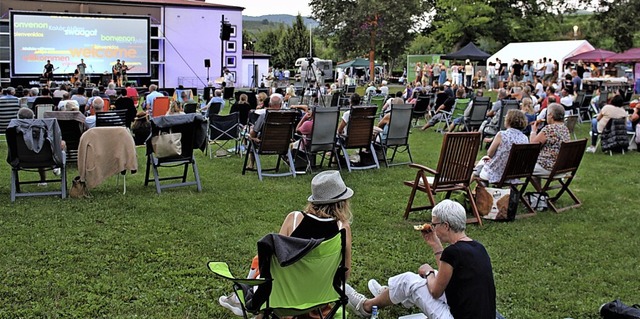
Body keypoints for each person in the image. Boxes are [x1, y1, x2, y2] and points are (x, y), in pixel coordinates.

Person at [218, 170, 354, 317]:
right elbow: (344, 275)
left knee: (260, 261)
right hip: (321, 297)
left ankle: (246, 296)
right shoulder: (342, 229)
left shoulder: (294, 219)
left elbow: (275, 262)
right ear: (343, 202)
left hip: (282, 298)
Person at [345, 199, 496, 319]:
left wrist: (429, 272)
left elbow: (436, 291)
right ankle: (391, 293)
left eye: (435, 224)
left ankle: (366, 306)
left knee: (409, 281)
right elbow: (447, 276)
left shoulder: (452, 252)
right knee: (427, 279)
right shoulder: (478, 248)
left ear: (446, 225)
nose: (433, 228)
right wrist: (436, 246)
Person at [474, 110, 529, 183]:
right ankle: (474, 188)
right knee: (483, 163)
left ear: (508, 121)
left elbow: (490, 153)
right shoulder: (525, 138)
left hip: (496, 173)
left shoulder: (501, 135)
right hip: (512, 174)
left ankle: (468, 187)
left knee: (484, 160)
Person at [530, 103, 570, 175]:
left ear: (551, 115)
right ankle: (539, 187)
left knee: (524, 166)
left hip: (548, 167)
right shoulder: (565, 128)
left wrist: (533, 131)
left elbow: (533, 146)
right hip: (562, 166)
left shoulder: (549, 129)